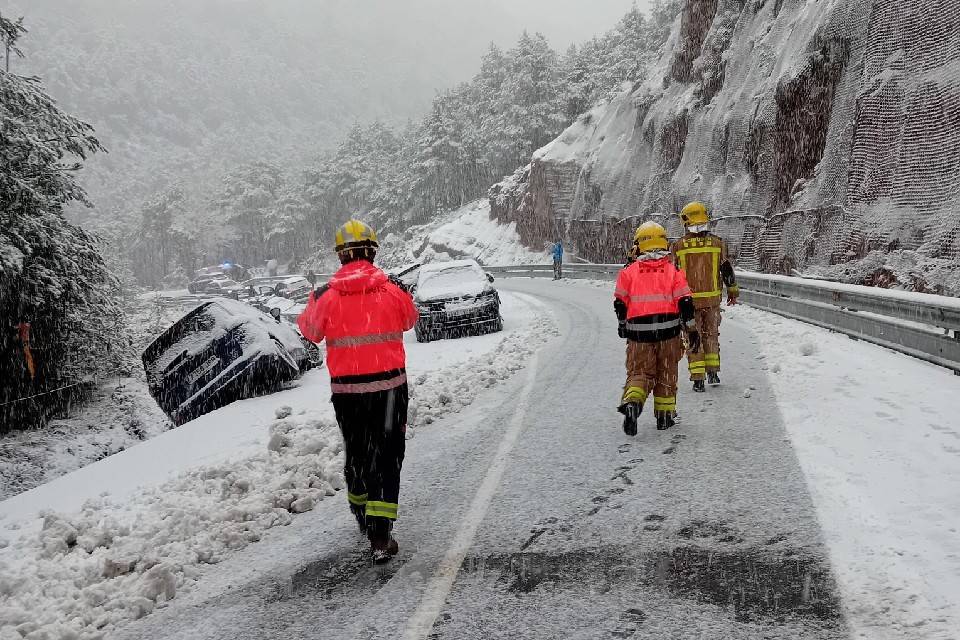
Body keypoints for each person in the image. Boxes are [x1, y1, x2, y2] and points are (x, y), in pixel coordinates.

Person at [297, 219, 419, 563]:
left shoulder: (324, 296)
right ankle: (381, 535)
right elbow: (410, 320)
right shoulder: (391, 289)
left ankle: (361, 509)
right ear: (373, 251)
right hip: (390, 389)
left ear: (340, 256)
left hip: (348, 393)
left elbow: (310, 331)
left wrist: (315, 304)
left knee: (359, 452)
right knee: (388, 454)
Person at [615, 222, 700, 434]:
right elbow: (686, 303)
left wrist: (623, 325)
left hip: (638, 335)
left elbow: (619, 303)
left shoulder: (628, 272)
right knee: (667, 374)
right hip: (669, 334)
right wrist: (691, 329)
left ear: (639, 245)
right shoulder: (673, 271)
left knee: (639, 372)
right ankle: (664, 417)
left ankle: (633, 403)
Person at [670, 202, 739, 392]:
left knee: (693, 337)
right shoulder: (717, 244)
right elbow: (726, 270)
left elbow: (672, 276)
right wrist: (732, 290)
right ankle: (713, 372)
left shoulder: (678, 247)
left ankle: (698, 378)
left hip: (687, 304)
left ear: (686, 221)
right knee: (711, 336)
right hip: (712, 302)